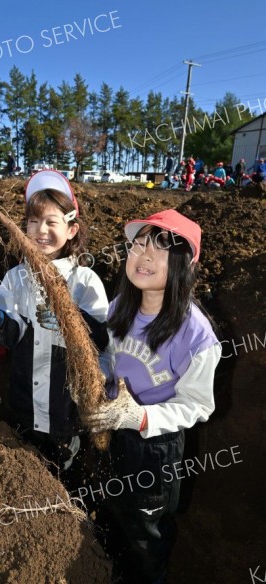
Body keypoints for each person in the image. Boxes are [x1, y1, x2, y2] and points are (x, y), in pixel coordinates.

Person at [86, 209, 220, 584]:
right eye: (138, 245)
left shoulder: (196, 336)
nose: (143, 256)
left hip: (155, 450)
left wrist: (141, 417)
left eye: (158, 249)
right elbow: (107, 357)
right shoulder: (120, 309)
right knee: (111, 512)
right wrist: (98, 376)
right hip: (112, 433)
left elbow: (198, 405)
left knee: (146, 534)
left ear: (183, 265)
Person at [0, 170, 109, 473]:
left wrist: (68, 319)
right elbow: (9, 335)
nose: (40, 230)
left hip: (65, 412)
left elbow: (102, 342)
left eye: (51, 221)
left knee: (62, 473)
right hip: (24, 404)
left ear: (71, 229)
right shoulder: (17, 278)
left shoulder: (85, 282)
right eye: (32, 220)